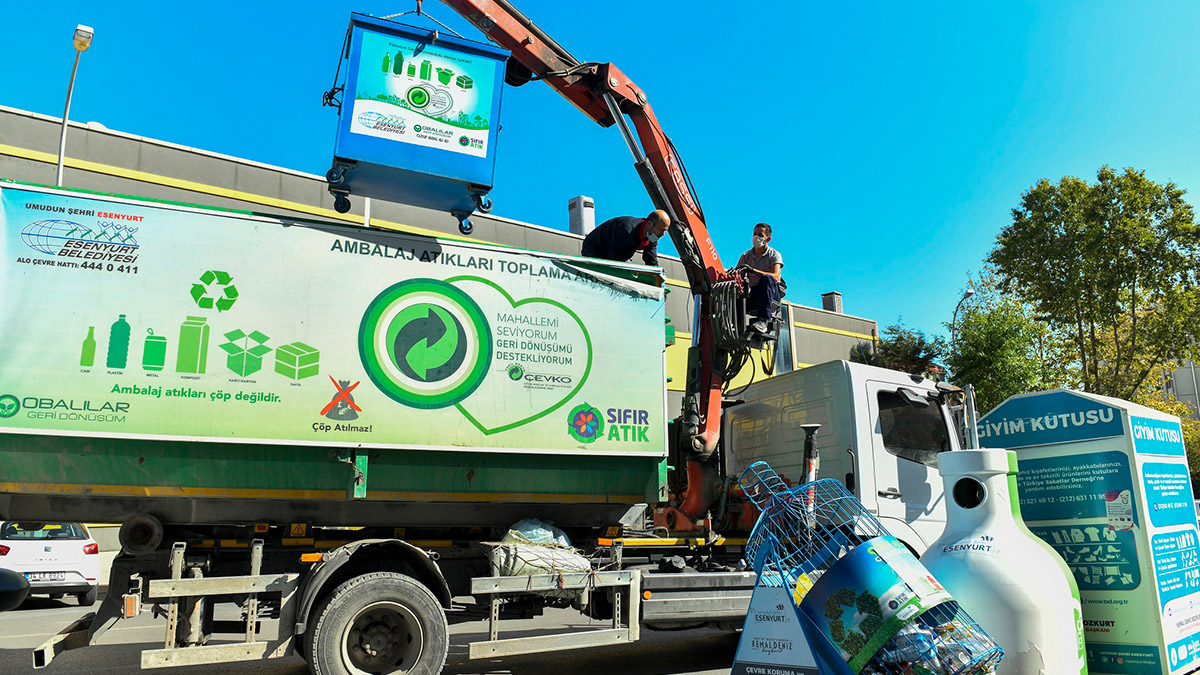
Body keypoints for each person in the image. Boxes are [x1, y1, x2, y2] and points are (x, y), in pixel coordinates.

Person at [735, 222, 783, 333]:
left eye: (760, 235)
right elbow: (737, 275)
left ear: (768, 239)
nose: (756, 237)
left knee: (767, 278)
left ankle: (763, 321)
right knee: (737, 289)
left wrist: (752, 270)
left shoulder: (774, 255)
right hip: (753, 293)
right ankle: (737, 325)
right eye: (755, 234)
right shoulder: (746, 256)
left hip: (770, 292)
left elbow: (775, 276)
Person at [581, 210, 670, 266]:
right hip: (594, 248)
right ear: (650, 224)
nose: (663, 234)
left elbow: (651, 259)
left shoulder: (652, 237)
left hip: (615, 254)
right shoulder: (627, 230)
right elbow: (615, 257)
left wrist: (658, 276)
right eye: (661, 230)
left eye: (665, 230)